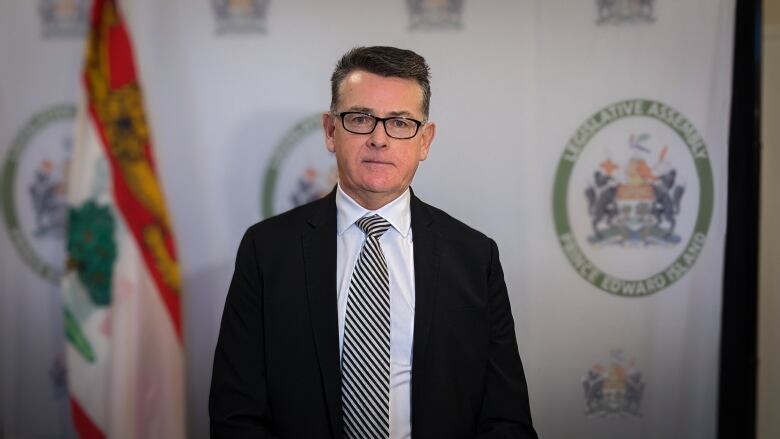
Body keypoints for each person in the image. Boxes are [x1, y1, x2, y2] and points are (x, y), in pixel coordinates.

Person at [209, 46, 537, 439]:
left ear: (425, 141)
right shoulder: (267, 250)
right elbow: (236, 413)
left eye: (400, 123)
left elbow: (506, 416)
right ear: (331, 131)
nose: (379, 139)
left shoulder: (474, 256)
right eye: (361, 119)